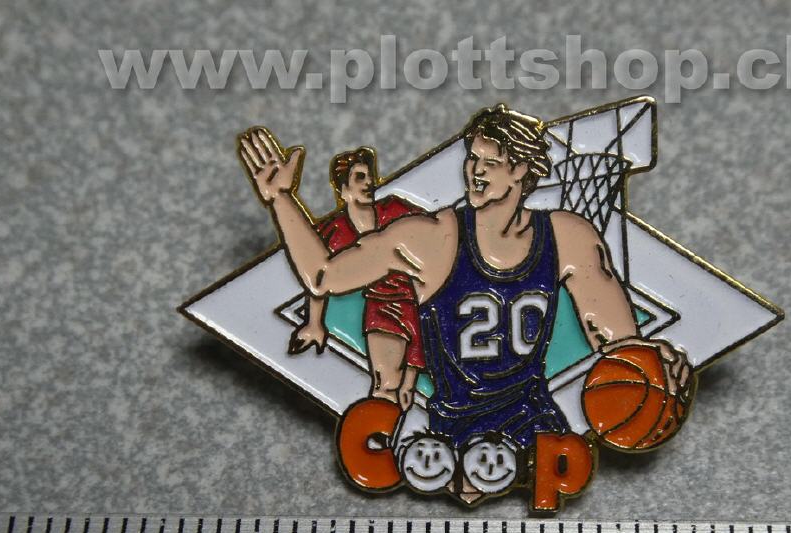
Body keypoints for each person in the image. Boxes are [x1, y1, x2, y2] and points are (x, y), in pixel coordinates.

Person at [237, 104, 691, 450]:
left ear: (520, 170)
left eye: (489, 162)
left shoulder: (568, 237)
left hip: (537, 428)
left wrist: (654, 364)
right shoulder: (429, 238)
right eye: (472, 159)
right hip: (452, 436)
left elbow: (618, 344)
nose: (474, 171)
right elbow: (322, 277)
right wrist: (281, 199)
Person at [258, 146, 424, 410]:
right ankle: (380, 430)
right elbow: (316, 279)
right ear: (343, 189)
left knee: (410, 387)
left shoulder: (398, 210)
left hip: (426, 301)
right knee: (386, 386)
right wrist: (314, 323)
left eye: (370, 176)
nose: (369, 183)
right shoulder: (334, 232)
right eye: (360, 177)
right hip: (384, 307)